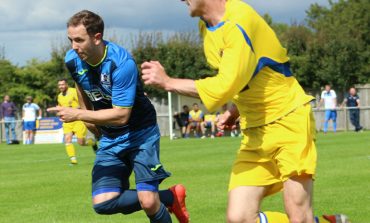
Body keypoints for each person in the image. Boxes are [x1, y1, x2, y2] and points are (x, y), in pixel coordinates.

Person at [141, 0, 348, 222]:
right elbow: (247, 74)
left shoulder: (238, 22)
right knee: (239, 217)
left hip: (289, 120)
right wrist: (235, 109)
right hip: (255, 132)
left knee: (298, 215)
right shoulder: (206, 26)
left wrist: (168, 82)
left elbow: (225, 85)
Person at [48, 10, 189, 223]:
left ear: (97, 38)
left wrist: (78, 114)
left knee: (149, 203)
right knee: (104, 203)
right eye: (70, 40)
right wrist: (88, 117)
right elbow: (80, 85)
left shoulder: (122, 63)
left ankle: (159, 199)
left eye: (79, 40)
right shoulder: (73, 59)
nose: (73, 47)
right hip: (111, 137)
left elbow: (122, 115)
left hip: (140, 134)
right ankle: (170, 197)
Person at [57, 79, 97, 164]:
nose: (61, 86)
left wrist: (71, 110)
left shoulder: (74, 92)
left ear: (67, 84)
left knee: (81, 143)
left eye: (63, 84)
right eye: (59, 85)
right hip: (67, 122)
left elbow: (82, 104)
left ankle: (92, 144)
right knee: (67, 139)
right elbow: (61, 107)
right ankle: (73, 160)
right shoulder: (59, 96)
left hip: (78, 119)